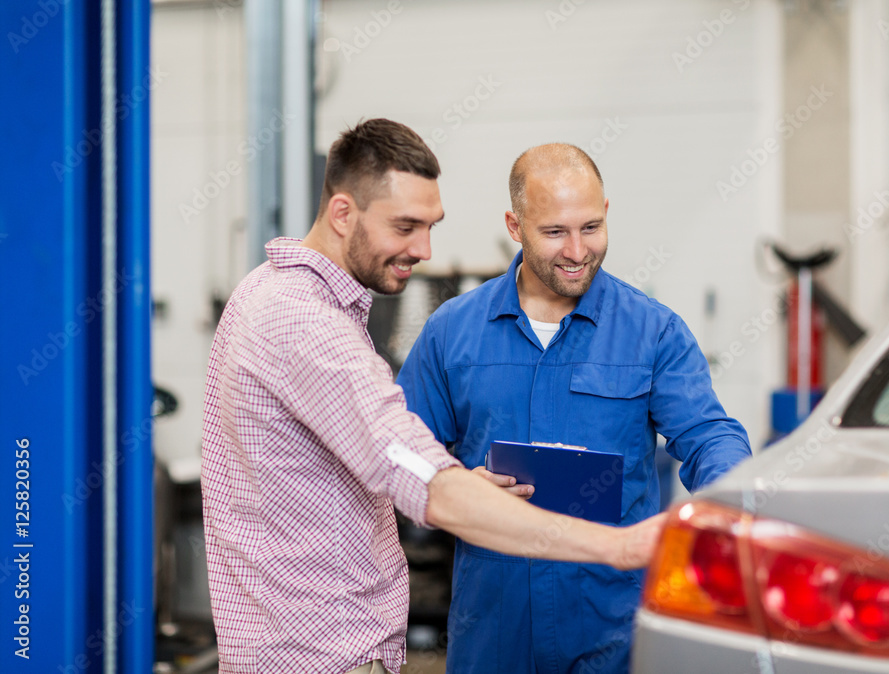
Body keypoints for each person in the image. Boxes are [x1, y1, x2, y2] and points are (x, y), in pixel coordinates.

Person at [200, 121, 666, 674]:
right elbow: (429, 487)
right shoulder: (309, 326)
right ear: (344, 213)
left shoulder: (263, 288)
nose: (423, 250)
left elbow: (372, 470)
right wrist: (620, 547)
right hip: (322, 655)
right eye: (405, 227)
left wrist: (457, 484)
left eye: (430, 226)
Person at [397, 143, 752, 673]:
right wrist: (459, 482)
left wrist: (727, 503)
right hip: (495, 628)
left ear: (607, 212)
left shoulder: (653, 332)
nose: (577, 250)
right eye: (555, 232)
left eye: (591, 227)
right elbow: (399, 451)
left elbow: (708, 435)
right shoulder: (453, 331)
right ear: (515, 226)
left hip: (611, 630)